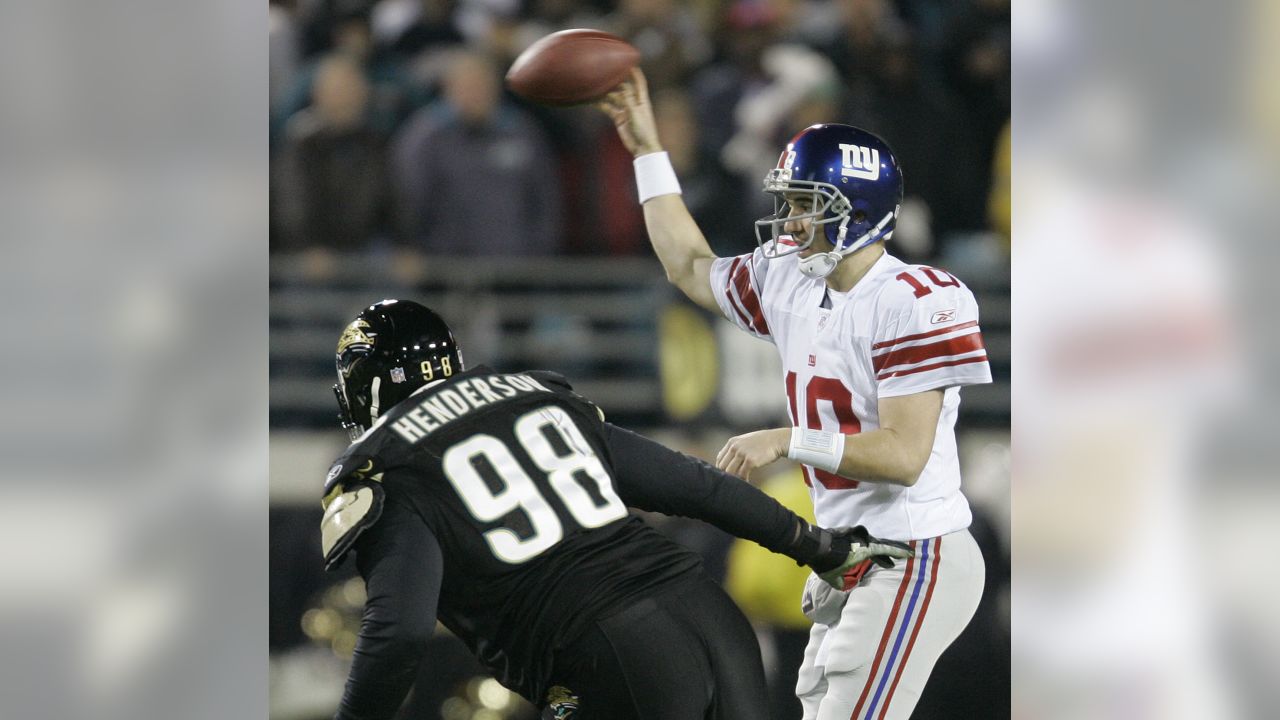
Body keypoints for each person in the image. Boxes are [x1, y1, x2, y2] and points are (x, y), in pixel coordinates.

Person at [598, 69, 992, 720]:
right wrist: (648, 153)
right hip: (848, 555)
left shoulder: (917, 300)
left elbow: (904, 455)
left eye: (807, 202)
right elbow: (689, 267)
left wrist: (787, 439)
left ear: (857, 210)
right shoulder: (790, 279)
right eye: (789, 200)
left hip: (913, 554)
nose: (790, 219)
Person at [322, 299, 913, 720]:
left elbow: (398, 634)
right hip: (712, 619)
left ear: (368, 383)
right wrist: (818, 546)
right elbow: (694, 486)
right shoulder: (534, 395)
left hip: (610, 657)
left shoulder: (385, 467)